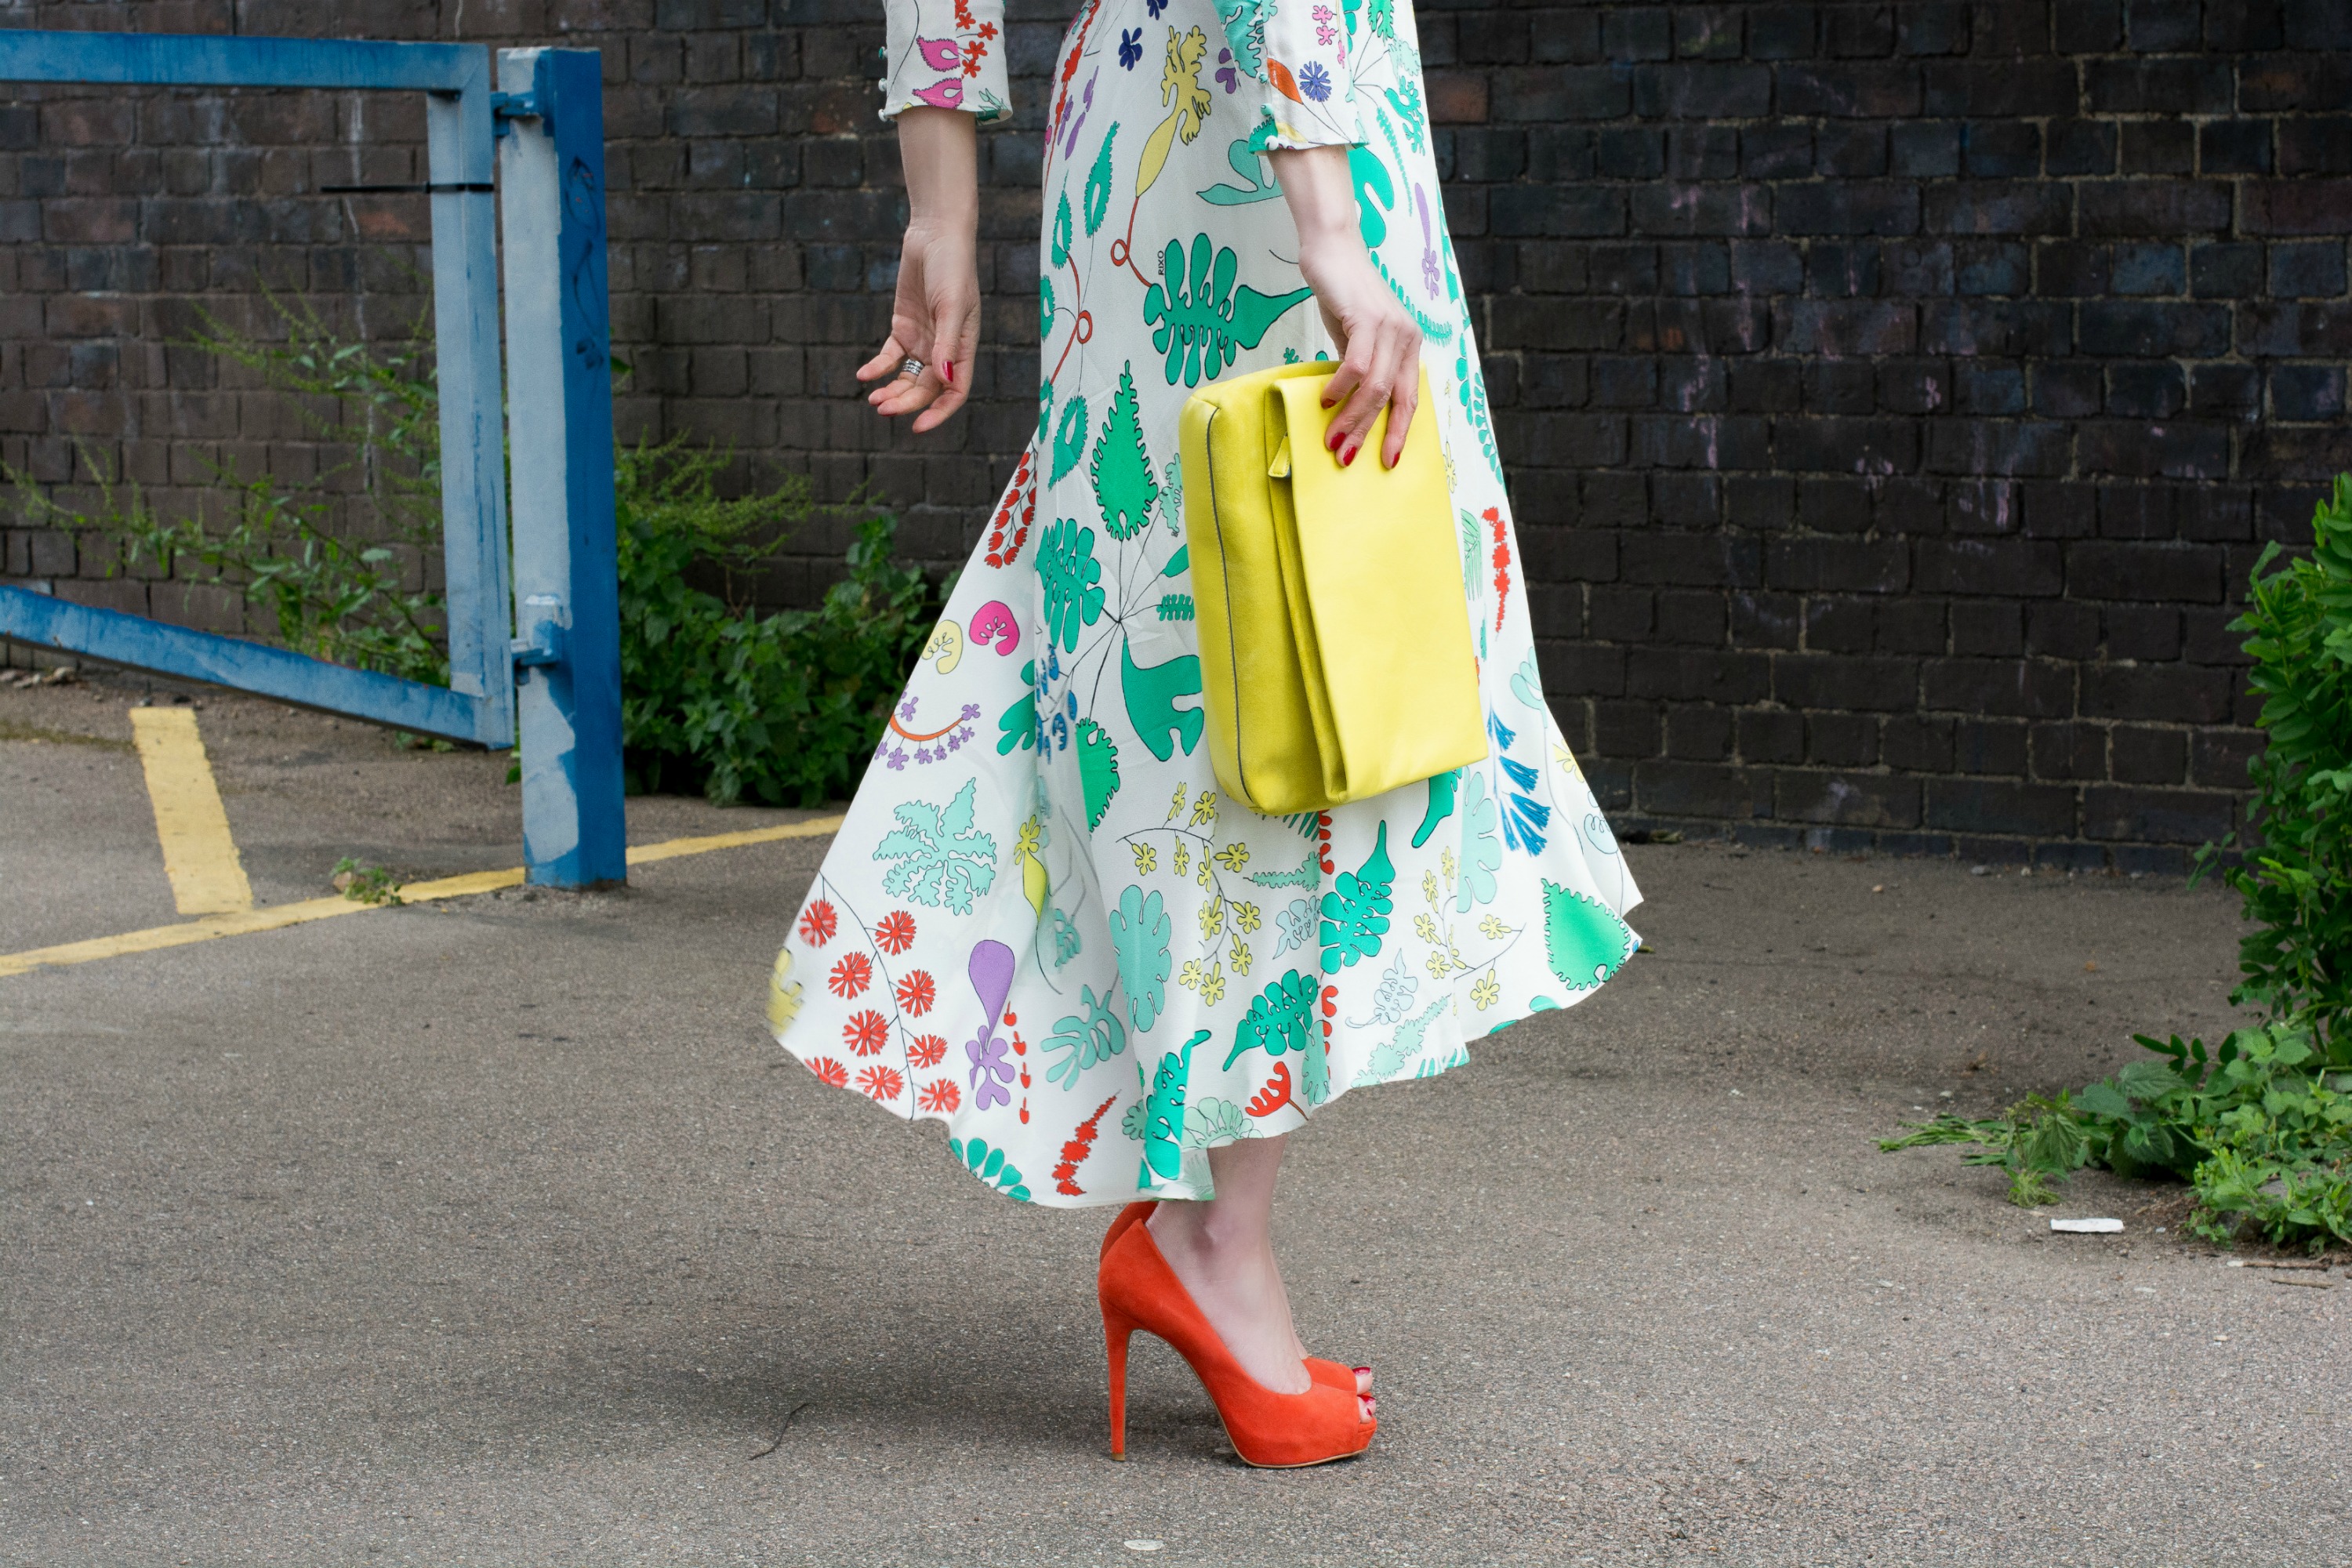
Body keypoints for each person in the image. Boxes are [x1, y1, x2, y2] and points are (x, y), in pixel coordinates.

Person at [767, 0, 1642, 1468]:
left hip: (1159, 130)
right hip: (1277, 135)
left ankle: (1209, 1222)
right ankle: (1211, 1241)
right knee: (1288, 673)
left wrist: (940, 200)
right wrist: (1331, 222)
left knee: (1216, 666)